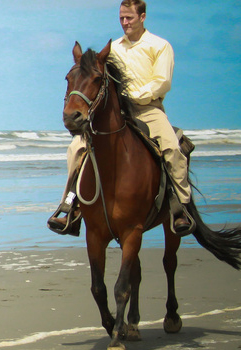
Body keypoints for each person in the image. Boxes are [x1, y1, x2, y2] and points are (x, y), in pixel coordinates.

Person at [48, 0, 192, 236]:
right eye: (122, 18)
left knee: (172, 148)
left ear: (142, 17)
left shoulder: (160, 46)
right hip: (118, 112)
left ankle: (180, 207)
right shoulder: (113, 48)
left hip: (148, 109)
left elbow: (162, 82)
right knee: (75, 149)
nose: (125, 22)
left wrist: (133, 96)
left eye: (129, 18)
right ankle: (70, 206)